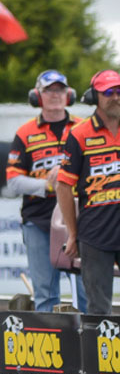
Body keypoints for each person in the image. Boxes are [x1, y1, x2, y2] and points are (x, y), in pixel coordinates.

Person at [5, 70, 87, 312]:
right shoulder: (25, 133)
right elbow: (13, 181)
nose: (55, 95)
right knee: (45, 293)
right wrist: (48, 185)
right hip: (38, 219)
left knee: (85, 291)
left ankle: (88, 335)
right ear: (37, 96)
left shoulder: (83, 128)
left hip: (80, 217)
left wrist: (65, 176)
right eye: (48, 90)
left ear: (69, 94)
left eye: (60, 89)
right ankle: (48, 335)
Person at [57, 70, 120, 315]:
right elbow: (64, 186)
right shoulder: (79, 134)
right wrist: (73, 234)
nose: (115, 97)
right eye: (108, 92)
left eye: (119, 91)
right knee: (98, 309)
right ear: (94, 97)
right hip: (95, 234)